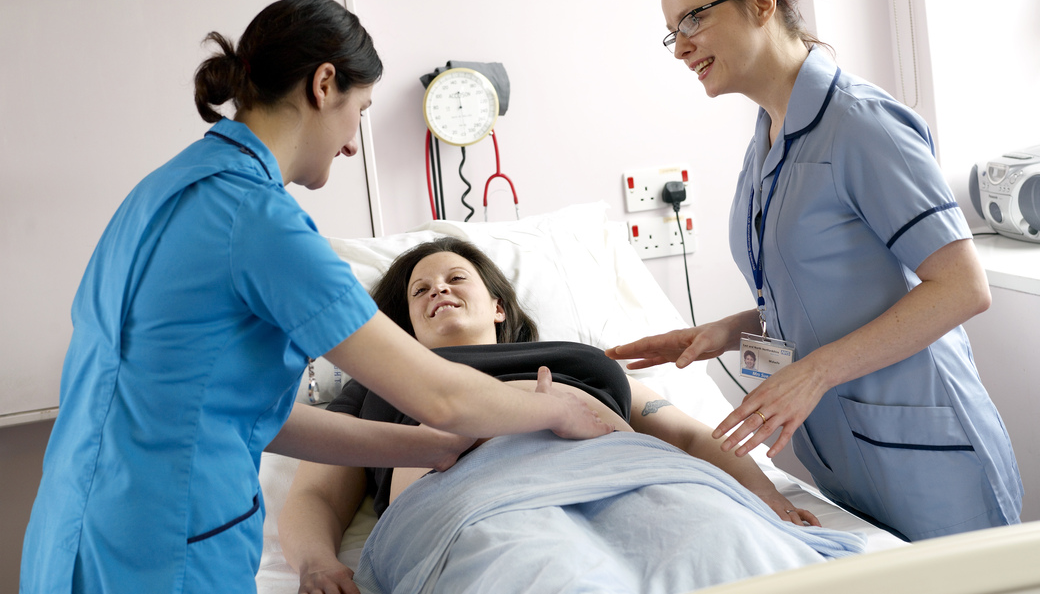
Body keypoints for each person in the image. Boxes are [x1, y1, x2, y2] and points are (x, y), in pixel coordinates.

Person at [19, 0, 610, 594]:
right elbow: (439, 395)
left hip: (73, 535)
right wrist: (556, 407)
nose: (354, 144)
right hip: (167, 549)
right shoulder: (256, 218)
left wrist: (429, 449)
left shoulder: (162, 191)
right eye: (361, 111)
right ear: (325, 84)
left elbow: (251, 418)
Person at [607, 0, 1022, 541]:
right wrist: (721, 333)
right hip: (846, 460)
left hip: (927, 456)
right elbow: (821, 294)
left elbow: (962, 287)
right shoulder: (769, 136)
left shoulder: (861, 124)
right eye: (671, 32)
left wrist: (812, 375)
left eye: (693, 18)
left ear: (761, 3)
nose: (680, 47)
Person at [277, 237, 864, 594]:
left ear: (498, 305)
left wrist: (768, 498)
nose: (438, 290)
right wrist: (315, 564)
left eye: (456, 278)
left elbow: (686, 433)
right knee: (546, 574)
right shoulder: (378, 384)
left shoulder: (580, 361)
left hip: (635, 475)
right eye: (419, 290)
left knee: (726, 547)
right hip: (474, 501)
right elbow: (316, 496)